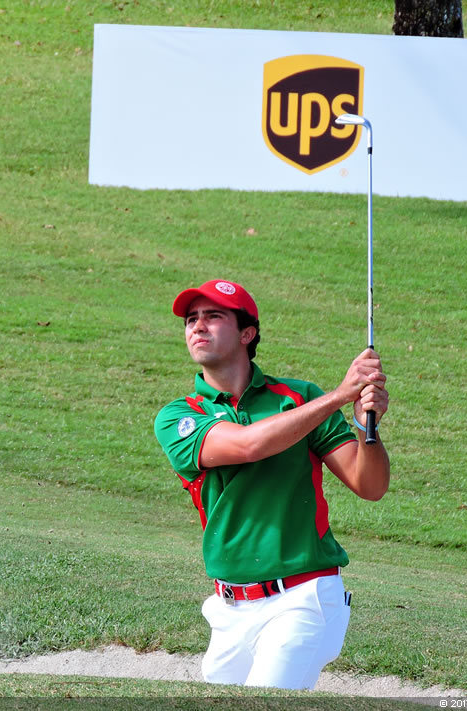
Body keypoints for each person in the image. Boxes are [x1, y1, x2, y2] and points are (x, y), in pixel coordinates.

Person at [153, 279, 390, 690]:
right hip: (228, 609)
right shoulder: (179, 416)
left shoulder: (299, 398)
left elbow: (369, 485)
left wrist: (365, 424)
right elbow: (247, 445)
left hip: (303, 597)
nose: (198, 326)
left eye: (213, 316)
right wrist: (338, 397)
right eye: (191, 320)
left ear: (247, 334)